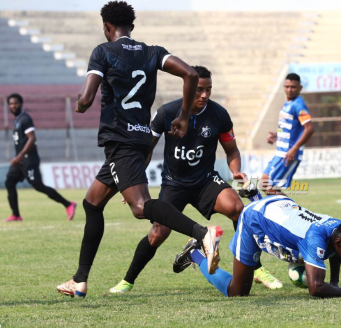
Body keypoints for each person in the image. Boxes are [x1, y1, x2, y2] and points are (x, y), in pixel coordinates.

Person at [56, 1, 222, 298]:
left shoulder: (102, 52)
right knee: (92, 203)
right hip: (140, 137)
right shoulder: (152, 52)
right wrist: (183, 116)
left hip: (120, 139)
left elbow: (87, 96)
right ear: (131, 27)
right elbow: (190, 74)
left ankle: (202, 234)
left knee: (139, 207)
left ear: (107, 27)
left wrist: (80, 104)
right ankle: (79, 280)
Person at [109, 65, 282, 293]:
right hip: (174, 183)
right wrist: (132, 182)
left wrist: (236, 171)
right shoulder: (166, 113)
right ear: (187, 87)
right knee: (158, 233)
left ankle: (257, 270)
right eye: (200, 89)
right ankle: (127, 281)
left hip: (206, 181)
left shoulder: (219, 114)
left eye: (208, 90)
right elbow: (146, 149)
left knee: (238, 209)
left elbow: (232, 151)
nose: (204, 95)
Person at [173, 192, 341, 298]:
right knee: (237, 292)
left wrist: (334, 285)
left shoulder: (337, 227)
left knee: (312, 253)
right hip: (253, 219)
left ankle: (255, 194)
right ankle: (195, 254)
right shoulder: (315, 238)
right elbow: (316, 288)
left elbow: (334, 254)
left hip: (280, 204)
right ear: (339, 242)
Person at [4, 93, 77, 222]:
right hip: (20, 161)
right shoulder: (17, 120)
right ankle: (16, 215)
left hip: (28, 160)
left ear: (21, 104)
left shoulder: (25, 119)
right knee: (9, 181)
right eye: (10, 104)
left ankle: (68, 204)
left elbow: (32, 139)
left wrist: (20, 156)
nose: (13, 106)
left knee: (38, 186)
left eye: (15, 103)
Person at [262, 73, 314, 195]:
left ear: (300, 88)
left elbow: (309, 129)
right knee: (264, 182)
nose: (289, 90)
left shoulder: (298, 105)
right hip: (280, 153)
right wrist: (277, 136)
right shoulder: (288, 103)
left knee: (269, 188)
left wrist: (294, 148)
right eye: (287, 86)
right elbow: (291, 128)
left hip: (288, 155)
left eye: (293, 87)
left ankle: (295, 211)